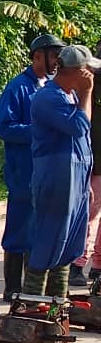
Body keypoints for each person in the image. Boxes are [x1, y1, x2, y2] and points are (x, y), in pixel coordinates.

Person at [22, 45, 98, 297]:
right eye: (88, 72)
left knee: (68, 238)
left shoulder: (70, 95)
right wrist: (87, 95)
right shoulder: (49, 97)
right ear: (77, 71)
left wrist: (86, 184)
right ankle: (33, 301)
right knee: (49, 236)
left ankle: (57, 299)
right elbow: (78, 127)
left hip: (75, 179)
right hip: (56, 176)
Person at [0, 33, 66, 299]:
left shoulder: (51, 86)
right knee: (18, 230)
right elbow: (5, 127)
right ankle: (12, 288)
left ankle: (32, 289)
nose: (57, 61)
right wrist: (39, 131)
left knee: (39, 231)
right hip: (23, 172)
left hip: (46, 172)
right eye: (54, 55)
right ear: (38, 56)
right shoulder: (18, 87)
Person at [70, 41, 101, 284]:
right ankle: (78, 263)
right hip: (92, 158)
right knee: (88, 213)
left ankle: (97, 265)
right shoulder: (86, 87)